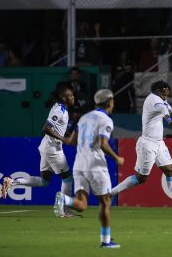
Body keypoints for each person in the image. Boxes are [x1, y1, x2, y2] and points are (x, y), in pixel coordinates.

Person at [110, 81, 172, 217]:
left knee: (170, 170)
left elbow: (167, 109)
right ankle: (111, 193)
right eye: (167, 90)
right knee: (141, 178)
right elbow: (165, 113)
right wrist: (170, 121)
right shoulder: (153, 100)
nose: (169, 92)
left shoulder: (161, 100)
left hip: (159, 143)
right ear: (161, 90)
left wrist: (166, 104)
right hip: (148, 144)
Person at [53, 89, 124, 248]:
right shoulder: (106, 119)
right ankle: (106, 241)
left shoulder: (84, 117)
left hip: (79, 164)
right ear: (109, 102)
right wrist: (117, 158)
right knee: (105, 202)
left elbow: (71, 141)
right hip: (95, 165)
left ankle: (64, 199)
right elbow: (103, 143)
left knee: (82, 204)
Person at [1, 86, 75, 210]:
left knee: (44, 181)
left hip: (46, 146)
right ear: (64, 97)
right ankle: (63, 210)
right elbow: (45, 128)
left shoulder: (60, 108)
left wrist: (66, 136)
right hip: (53, 149)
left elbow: (56, 129)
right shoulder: (60, 110)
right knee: (67, 179)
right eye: (70, 95)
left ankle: (12, 182)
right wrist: (63, 139)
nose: (73, 97)